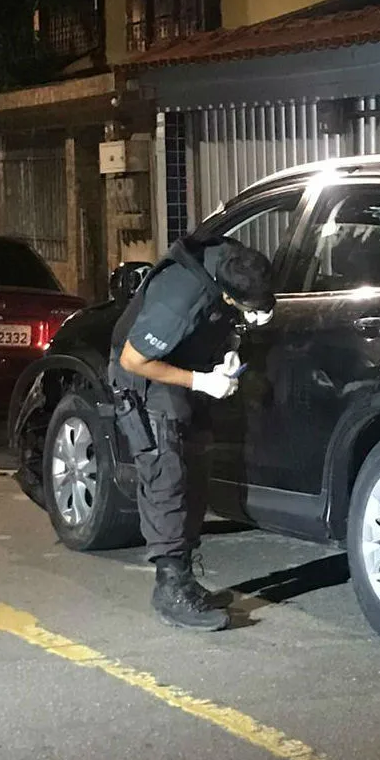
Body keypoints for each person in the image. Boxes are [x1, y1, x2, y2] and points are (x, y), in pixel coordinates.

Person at [108, 235, 276, 631]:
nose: (259, 316)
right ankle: (170, 588)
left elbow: (222, 321)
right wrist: (201, 381)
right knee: (168, 474)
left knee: (196, 466)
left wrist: (228, 352)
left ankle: (186, 575)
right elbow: (135, 359)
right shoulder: (179, 299)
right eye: (251, 310)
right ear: (229, 295)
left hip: (181, 366)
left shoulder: (236, 263)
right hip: (146, 378)